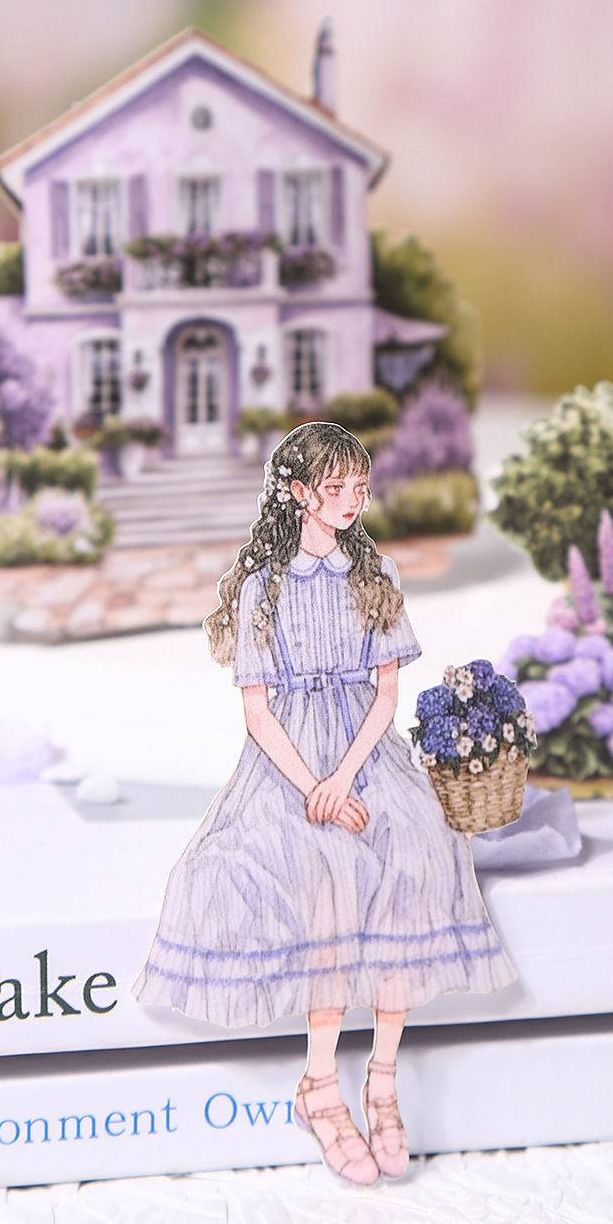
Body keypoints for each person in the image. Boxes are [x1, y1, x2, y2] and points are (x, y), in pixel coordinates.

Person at [133, 421, 515, 1185]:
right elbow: (257, 712)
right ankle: (317, 1084)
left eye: (359, 488)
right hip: (288, 761)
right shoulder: (264, 588)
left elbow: (385, 696)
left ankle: (382, 1078)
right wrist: (315, 787)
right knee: (322, 868)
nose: (351, 501)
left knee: (417, 844)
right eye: (335, 487)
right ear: (301, 493)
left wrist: (346, 777)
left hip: (364, 751)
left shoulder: (375, 574)